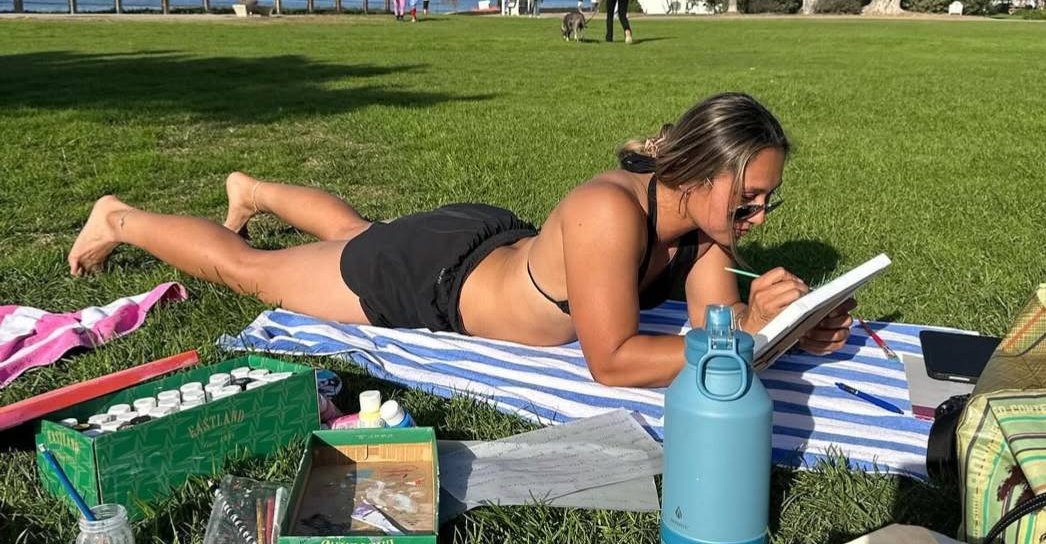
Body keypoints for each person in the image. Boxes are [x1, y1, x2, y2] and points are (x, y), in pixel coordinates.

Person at [67, 93, 852, 389]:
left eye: (766, 202)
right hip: (431, 281)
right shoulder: (612, 213)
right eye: (748, 199)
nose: (758, 217)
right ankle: (119, 217)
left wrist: (782, 326)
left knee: (354, 235)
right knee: (251, 270)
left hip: (481, 246)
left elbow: (713, 334)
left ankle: (254, 191)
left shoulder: (707, 232)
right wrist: (742, 334)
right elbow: (613, 361)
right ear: (697, 172)